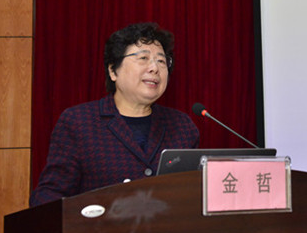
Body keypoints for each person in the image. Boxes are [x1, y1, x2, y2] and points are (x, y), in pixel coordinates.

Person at [30, 22, 199, 206]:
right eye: (143, 58)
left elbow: (195, 195)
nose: (154, 68)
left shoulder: (182, 126)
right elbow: (49, 195)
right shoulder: (79, 122)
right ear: (113, 71)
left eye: (161, 61)